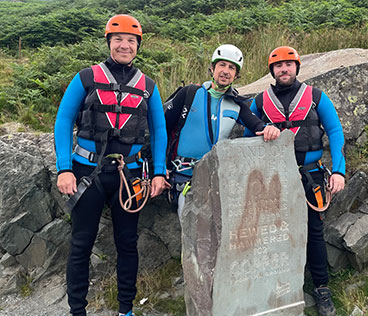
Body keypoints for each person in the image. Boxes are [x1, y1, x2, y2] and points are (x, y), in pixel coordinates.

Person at [54, 14, 168, 316]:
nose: (124, 45)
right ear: (109, 42)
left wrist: (158, 173)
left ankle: (125, 310)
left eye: (131, 41)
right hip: (86, 172)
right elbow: (64, 120)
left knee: (127, 243)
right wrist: (64, 168)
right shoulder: (86, 78)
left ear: (138, 45)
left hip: (128, 174)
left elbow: (159, 132)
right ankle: (77, 310)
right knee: (81, 243)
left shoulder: (148, 86)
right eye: (118, 39)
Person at [244, 46, 345, 316]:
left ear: (297, 68)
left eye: (289, 65)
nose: (284, 69)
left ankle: (321, 288)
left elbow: (334, 131)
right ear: (272, 71)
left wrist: (339, 171)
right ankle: (277, 287)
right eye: (278, 66)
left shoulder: (315, 97)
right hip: (274, 179)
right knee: (273, 235)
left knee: (313, 231)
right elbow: (246, 136)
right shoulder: (259, 102)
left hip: (310, 176)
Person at [164, 44, 280, 217]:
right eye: (222, 65)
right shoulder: (190, 93)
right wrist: (159, 167)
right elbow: (162, 128)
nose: (226, 71)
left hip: (214, 179)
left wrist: (270, 129)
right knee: (189, 234)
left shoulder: (237, 104)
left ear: (236, 74)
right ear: (212, 68)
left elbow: (257, 126)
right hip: (183, 176)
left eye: (231, 68)